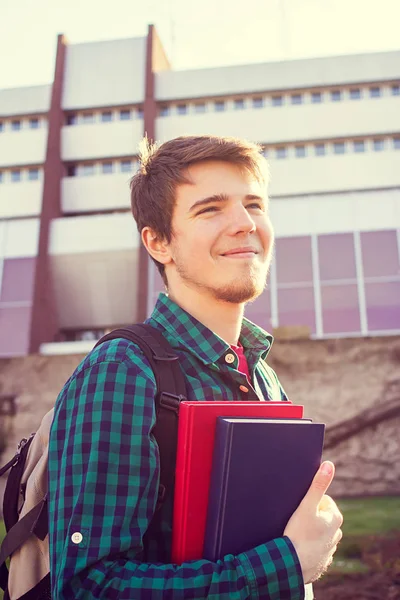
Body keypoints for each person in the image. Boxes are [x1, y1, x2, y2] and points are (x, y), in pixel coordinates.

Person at [48, 135, 343, 599]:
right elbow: (89, 587)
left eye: (254, 204)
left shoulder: (262, 374)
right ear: (159, 242)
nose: (245, 223)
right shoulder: (123, 369)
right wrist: (286, 563)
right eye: (211, 209)